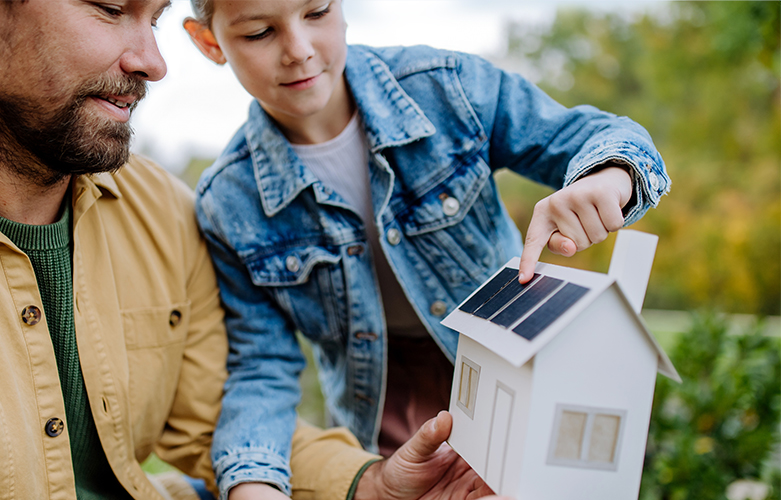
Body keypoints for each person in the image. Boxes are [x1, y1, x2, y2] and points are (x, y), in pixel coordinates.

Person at [0, 1, 501, 500]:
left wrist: (368, 484)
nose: (153, 62)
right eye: (112, 9)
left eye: (156, 18)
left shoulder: (167, 213)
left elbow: (216, 418)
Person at [183, 0, 671, 498]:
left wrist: (608, 177)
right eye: (261, 33)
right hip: (380, 424)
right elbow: (261, 365)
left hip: (515, 378)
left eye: (317, 13)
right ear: (209, 42)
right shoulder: (229, 201)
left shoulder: (445, 89)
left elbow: (599, 135)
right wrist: (253, 480)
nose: (300, 51)